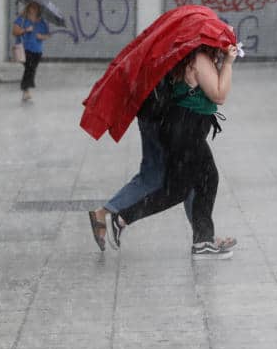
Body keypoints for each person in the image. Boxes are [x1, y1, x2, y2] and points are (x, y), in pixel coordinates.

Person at [91, 43, 238, 260]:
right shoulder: (199, 59)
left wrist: (220, 62)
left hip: (181, 129)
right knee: (179, 189)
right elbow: (219, 95)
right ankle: (122, 217)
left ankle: (203, 240)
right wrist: (228, 64)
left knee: (203, 180)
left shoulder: (188, 58)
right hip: (187, 130)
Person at [12, 2, 49, 101]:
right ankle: (25, 90)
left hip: (37, 50)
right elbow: (15, 32)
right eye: (32, 7)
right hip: (25, 49)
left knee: (31, 69)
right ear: (28, 8)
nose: (34, 9)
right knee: (29, 68)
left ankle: (26, 89)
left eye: (36, 7)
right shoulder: (22, 19)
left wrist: (42, 36)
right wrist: (25, 30)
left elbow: (48, 35)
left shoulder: (42, 22)